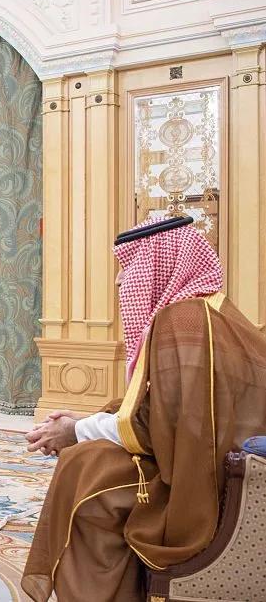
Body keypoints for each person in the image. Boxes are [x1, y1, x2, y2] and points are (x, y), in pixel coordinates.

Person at [21, 215, 266, 601]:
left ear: (161, 265)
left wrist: (74, 432)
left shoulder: (181, 322)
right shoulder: (208, 311)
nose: (120, 280)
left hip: (203, 488)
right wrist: (86, 422)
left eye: (129, 266)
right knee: (89, 459)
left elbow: (158, 426)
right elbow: (164, 409)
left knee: (83, 475)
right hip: (209, 465)